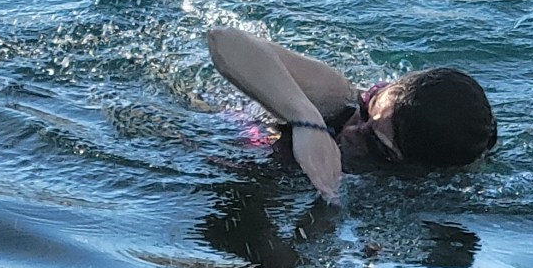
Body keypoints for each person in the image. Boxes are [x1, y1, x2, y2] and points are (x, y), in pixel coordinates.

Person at [207, 26, 497, 203]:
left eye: (375, 144)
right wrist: (307, 121)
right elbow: (224, 39)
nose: (352, 130)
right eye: (369, 106)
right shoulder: (338, 100)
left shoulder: (422, 189)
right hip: (213, 128)